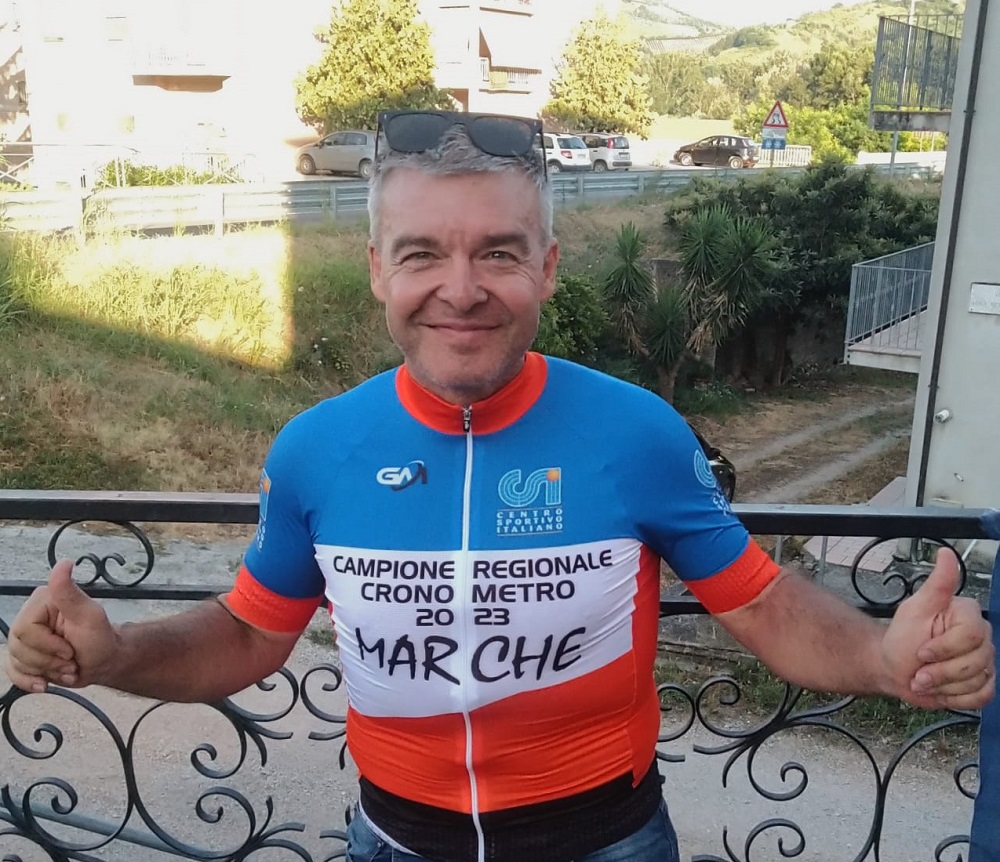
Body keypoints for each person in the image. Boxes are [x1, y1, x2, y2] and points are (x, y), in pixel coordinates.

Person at [6, 110, 995, 862]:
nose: (462, 288)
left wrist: (882, 655)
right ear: (377, 270)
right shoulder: (318, 447)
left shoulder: (635, 432)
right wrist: (114, 652)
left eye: (499, 253)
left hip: (607, 840)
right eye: (422, 253)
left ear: (547, 268)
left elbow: (764, 603)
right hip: (394, 839)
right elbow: (245, 633)